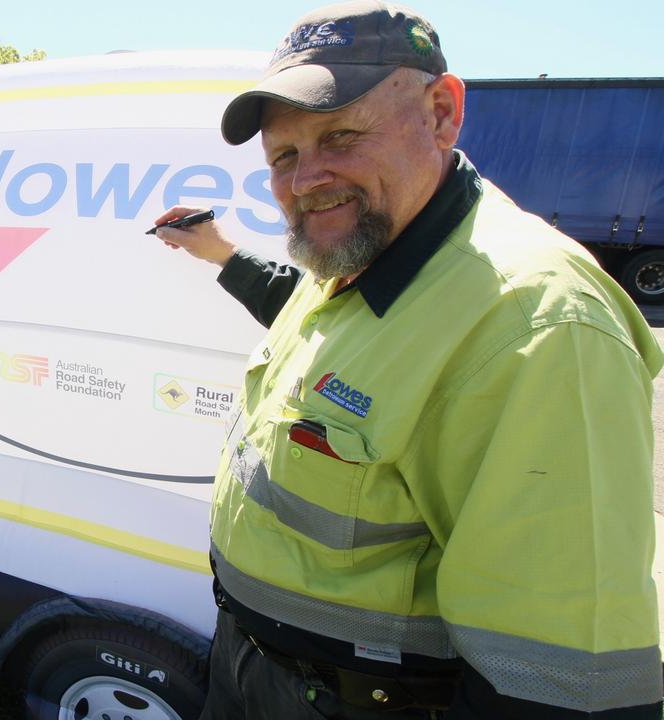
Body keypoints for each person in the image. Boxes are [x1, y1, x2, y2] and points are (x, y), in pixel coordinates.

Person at [153, 3, 663, 718]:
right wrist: (218, 254)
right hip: (254, 671)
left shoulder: (537, 326)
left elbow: (559, 683)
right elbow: (325, 327)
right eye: (284, 156)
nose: (305, 180)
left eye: (341, 135)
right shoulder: (358, 257)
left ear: (442, 113)